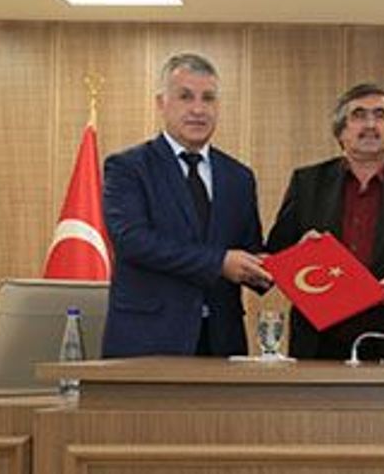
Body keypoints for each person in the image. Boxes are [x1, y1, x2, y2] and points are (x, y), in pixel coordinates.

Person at [265, 82, 384, 361]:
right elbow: (275, 251)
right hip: (319, 343)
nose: (370, 125)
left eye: (380, 115)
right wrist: (298, 253)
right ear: (341, 132)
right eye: (358, 115)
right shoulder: (307, 183)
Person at [102, 52, 271, 358]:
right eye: (185, 97)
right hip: (148, 339)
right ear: (161, 103)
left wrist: (291, 262)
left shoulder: (239, 177)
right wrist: (218, 262)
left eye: (208, 98)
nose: (198, 109)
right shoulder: (128, 167)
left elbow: (248, 250)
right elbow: (132, 241)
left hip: (221, 340)